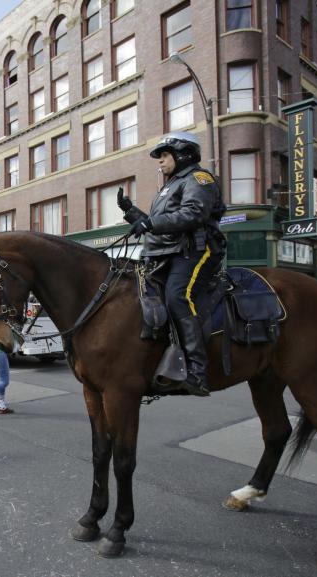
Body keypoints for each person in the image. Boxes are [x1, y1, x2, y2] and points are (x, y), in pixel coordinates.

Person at [119, 132, 226, 396]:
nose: (161, 162)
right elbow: (160, 226)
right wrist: (131, 212)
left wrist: (150, 222)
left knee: (178, 297)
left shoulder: (198, 179)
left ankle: (197, 372)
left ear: (183, 155)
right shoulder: (170, 186)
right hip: (166, 252)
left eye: (165, 156)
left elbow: (194, 213)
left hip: (195, 250)